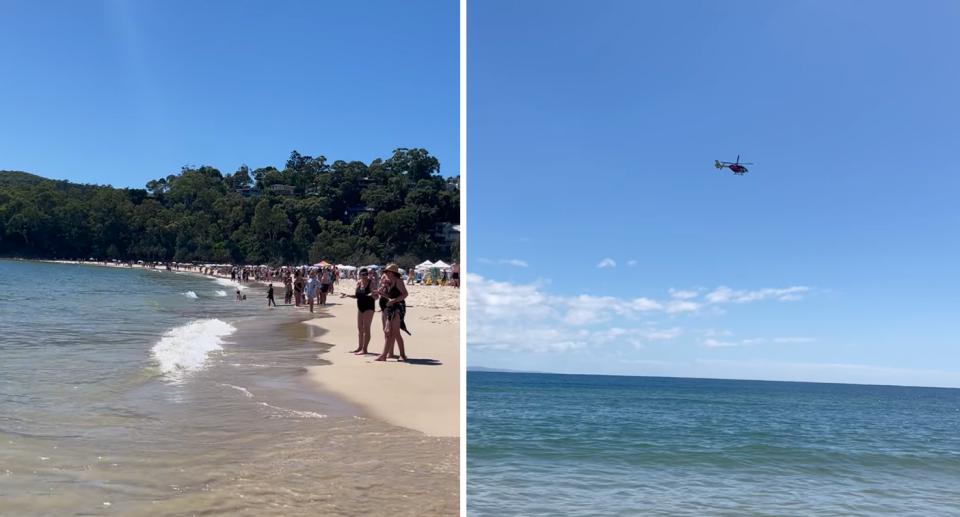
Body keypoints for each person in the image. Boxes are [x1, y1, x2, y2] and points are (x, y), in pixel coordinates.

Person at [375, 264, 411, 362]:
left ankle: (402, 355)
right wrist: (383, 286)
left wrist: (394, 300)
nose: (385, 274)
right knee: (387, 331)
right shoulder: (389, 282)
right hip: (391, 307)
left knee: (395, 332)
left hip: (398, 307)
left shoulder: (398, 281)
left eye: (387, 272)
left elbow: (405, 294)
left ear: (392, 273)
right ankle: (384, 355)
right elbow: (387, 295)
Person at [341, 268, 378, 355]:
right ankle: (360, 347)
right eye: (363, 274)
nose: (365, 276)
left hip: (369, 307)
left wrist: (372, 295)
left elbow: (377, 297)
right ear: (359, 275)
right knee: (360, 328)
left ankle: (364, 349)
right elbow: (358, 296)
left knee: (366, 328)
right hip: (360, 307)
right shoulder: (358, 283)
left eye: (366, 274)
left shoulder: (371, 283)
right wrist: (347, 295)